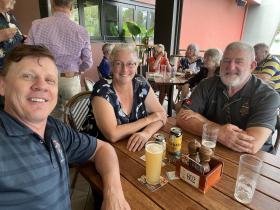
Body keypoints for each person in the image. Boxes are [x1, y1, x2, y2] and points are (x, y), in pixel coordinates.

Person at [0, 45, 130, 210]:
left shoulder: (56, 130)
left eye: (50, 80)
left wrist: (113, 192)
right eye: (27, 76)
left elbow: (103, 149)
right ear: (2, 85)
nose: (41, 85)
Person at [177, 42, 280, 154]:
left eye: (239, 62)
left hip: (253, 162)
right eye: (226, 61)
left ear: (252, 66)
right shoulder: (206, 84)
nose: (231, 67)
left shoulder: (268, 96)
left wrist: (203, 121)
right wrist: (220, 132)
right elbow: (181, 117)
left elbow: (251, 145)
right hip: (211, 151)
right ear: (221, 63)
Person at [89, 43, 167, 152]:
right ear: (111, 65)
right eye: (118, 63)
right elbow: (113, 134)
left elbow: (162, 115)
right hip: (100, 152)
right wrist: (150, 119)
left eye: (130, 64)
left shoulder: (140, 83)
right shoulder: (102, 89)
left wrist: (146, 133)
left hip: (131, 149)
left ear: (137, 65)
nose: (124, 70)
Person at [26, 0, 93, 121]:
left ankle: (53, 139)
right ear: (71, 7)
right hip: (69, 79)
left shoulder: (37, 25)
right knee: (74, 118)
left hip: (45, 79)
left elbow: (27, 54)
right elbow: (88, 62)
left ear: (52, 4)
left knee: (50, 117)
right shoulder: (81, 31)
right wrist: (78, 71)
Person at [0, 0, 24, 108]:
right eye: (11, 1)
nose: (12, 7)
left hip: (13, 70)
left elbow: (17, 36)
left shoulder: (10, 16)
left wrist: (23, 38)